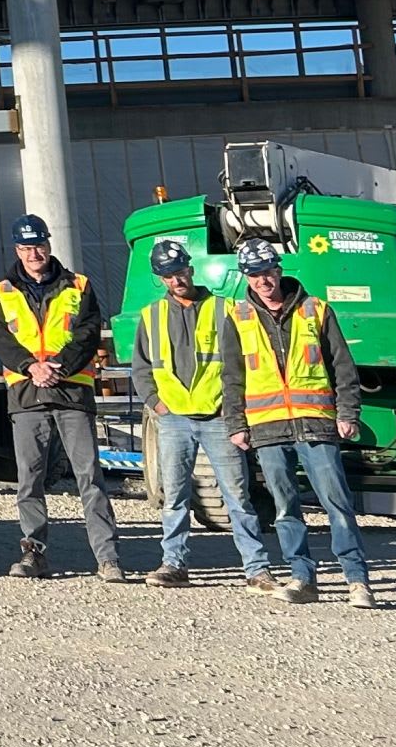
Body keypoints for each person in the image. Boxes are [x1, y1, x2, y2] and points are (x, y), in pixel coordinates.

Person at [223, 237, 373, 608]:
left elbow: (343, 366)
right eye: (254, 274)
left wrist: (348, 413)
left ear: (278, 269)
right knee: (285, 508)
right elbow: (232, 376)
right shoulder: (238, 317)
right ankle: (302, 577)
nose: (262, 280)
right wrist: (235, 424)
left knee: (337, 503)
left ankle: (357, 580)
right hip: (267, 428)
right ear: (247, 277)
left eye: (267, 271)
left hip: (317, 423)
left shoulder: (316, 309)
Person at [0, 215, 123, 582]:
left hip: (71, 391)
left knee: (89, 476)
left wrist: (58, 366)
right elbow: (0, 338)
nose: (35, 253)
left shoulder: (78, 285)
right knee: (29, 478)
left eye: (40, 245)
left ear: (49, 245)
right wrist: (31, 366)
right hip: (27, 393)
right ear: (18, 250)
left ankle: (107, 558)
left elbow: (89, 331)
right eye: (27, 247)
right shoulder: (2, 291)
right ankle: (34, 553)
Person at [128, 239, 249, 590]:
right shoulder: (151, 316)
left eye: (179, 271)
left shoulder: (224, 309)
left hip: (216, 417)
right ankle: (173, 564)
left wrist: (233, 406)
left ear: (190, 269)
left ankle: (256, 568)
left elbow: (240, 362)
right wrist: (155, 402)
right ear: (160, 278)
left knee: (237, 495)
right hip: (174, 419)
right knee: (175, 495)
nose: (176, 279)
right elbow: (141, 366)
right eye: (168, 275)